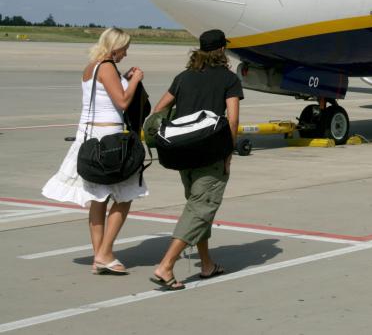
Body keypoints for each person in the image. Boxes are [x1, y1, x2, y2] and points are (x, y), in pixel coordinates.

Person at [42, 27, 147, 275]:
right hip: (109, 139)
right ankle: (105, 253)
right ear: (115, 46)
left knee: (98, 200)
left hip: (89, 137)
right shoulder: (108, 67)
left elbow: (103, 95)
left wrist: (125, 76)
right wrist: (134, 80)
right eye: (124, 48)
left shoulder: (92, 67)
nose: (126, 53)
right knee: (126, 194)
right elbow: (122, 101)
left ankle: (99, 256)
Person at [149, 29, 243, 289]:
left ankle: (207, 264)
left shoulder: (183, 78)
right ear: (222, 51)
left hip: (182, 154)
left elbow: (158, 111)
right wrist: (228, 154)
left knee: (199, 207)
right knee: (200, 209)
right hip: (210, 155)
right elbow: (233, 119)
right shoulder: (228, 79)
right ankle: (166, 266)